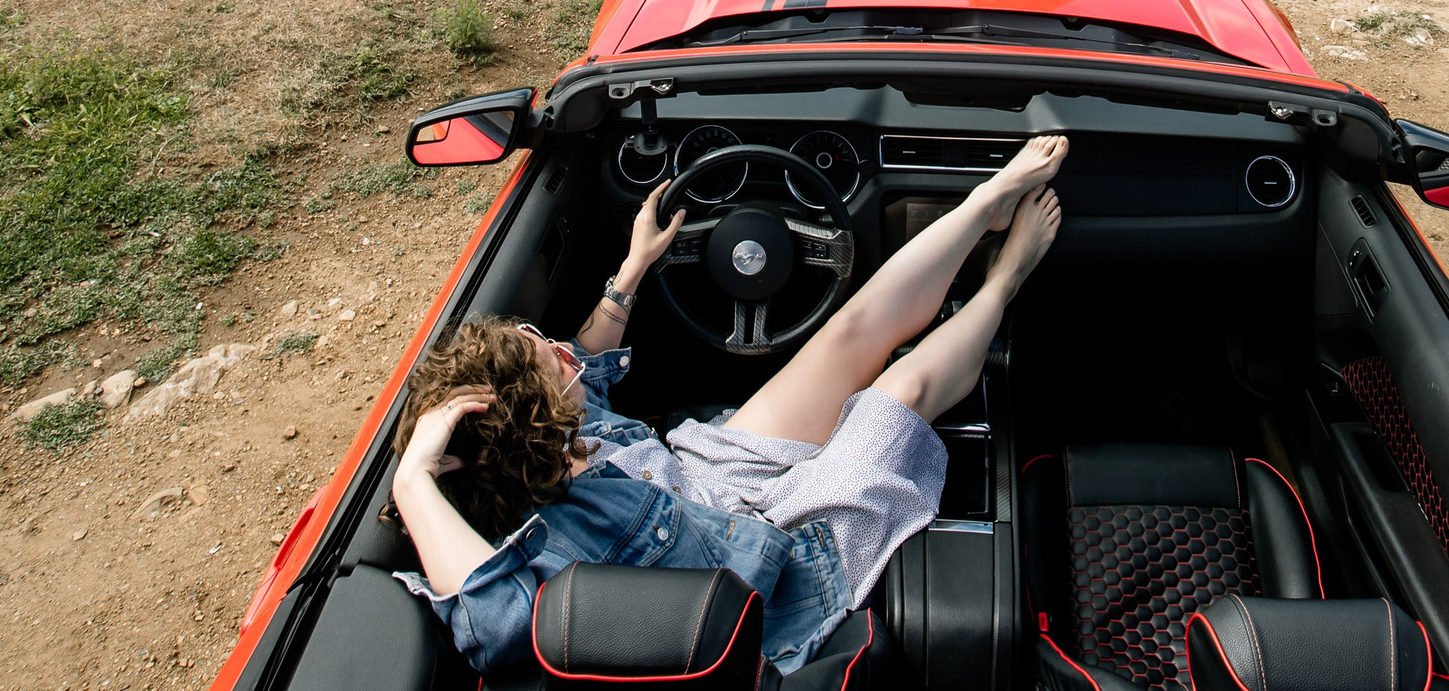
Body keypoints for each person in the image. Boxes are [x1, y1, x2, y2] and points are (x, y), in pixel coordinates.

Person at [389, 136, 1070, 677]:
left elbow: (590, 367)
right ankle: (1006, 278)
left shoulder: (554, 424)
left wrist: (632, 267)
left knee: (848, 333)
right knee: (898, 395)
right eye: (550, 358)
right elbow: (490, 619)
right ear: (536, 421)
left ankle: (986, 201)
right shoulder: (540, 556)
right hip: (780, 567)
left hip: (703, 478)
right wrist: (411, 480)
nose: (563, 348)